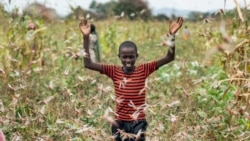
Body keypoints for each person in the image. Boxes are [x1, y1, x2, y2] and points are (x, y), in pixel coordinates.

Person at [79, 17, 184, 141]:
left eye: (131, 57)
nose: (128, 60)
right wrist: (86, 37)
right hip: (119, 122)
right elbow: (88, 64)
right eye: (124, 57)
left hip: (138, 121)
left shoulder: (144, 69)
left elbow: (169, 57)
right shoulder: (113, 71)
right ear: (119, 57)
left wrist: (172, 36)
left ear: (136, 56)